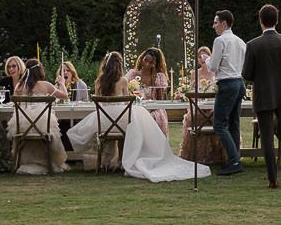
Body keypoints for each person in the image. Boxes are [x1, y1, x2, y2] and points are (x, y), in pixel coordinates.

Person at [65, 52, 212, 182]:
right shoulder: (122, 81)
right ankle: (125, 160)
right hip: (119, 117)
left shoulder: (98, 81)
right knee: (134, 121)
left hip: (103, 119)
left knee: (120, 126)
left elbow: (100, 102)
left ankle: (108, 162)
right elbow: (125, 100)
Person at [242, 4, 281, 189]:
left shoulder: (253, 45)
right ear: (277, 20)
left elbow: (247, 74)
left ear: (260, 21)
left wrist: (261, 78)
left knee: (267, 137)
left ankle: (272, 179)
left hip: (263, 95)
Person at [204, 10, 246, 176]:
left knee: (219, 124)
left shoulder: (220, 41)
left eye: (215, 22)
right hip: (239, 82)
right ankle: (235, 159)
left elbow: (213, 67)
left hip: (227, 84)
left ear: (224, 23)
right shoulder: (241, 42)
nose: (213, 26)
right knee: (234, 123)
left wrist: (206, 59)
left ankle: (234, 160)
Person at [10, 59, 68, 175]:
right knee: (52, 127)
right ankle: (48, 162)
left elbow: (16, 105)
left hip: (23, 125)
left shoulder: (19, 87)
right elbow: (65, 96)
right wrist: (62, 83)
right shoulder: (46, 85)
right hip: (42, 125)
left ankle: (20, 163)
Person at [180, 50, 225, 166]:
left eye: (205, 56)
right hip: (198, 105)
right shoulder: (194, 73)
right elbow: (191, 90)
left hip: (214, 105)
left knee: (217, 118)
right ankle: (195, 154)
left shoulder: (215, 72)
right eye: (199, 57)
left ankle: (219, 153)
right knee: (193, 118)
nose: (202, 58)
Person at [125, 48, 170, 134]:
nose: (147, 64)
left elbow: (160, 99)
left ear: (154, 64)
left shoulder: (158, 77)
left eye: (151, 62)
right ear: (142, 59)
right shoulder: (133, 74)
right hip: (136, 108)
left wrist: (155, 78)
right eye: (145, 60)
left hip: (153, 108)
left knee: (157, 115)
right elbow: (125, 92)